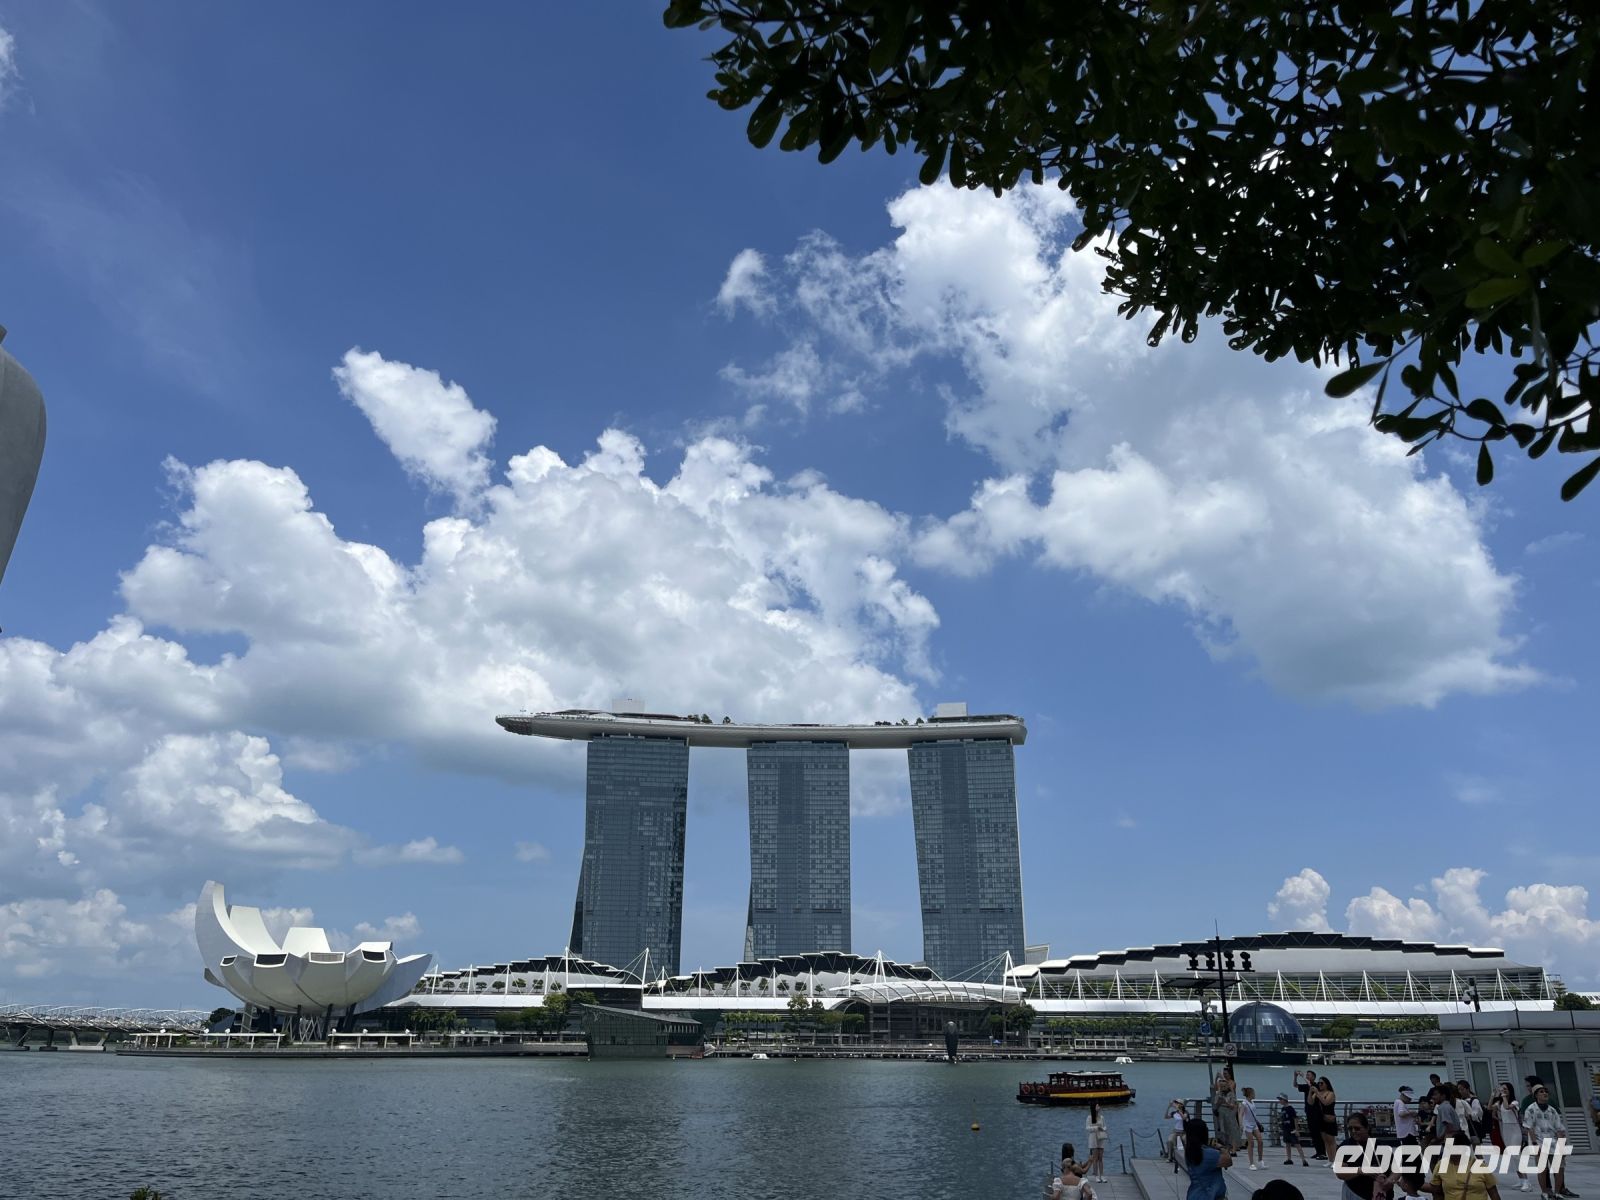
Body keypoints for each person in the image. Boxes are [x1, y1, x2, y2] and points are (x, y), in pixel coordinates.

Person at [1522, 1084, 1578, 1200]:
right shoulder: (1531, 1109)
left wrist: (1562, 1144)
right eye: (1541, 1092)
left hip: (1553, 1142)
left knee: (1559, 1168)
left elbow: (1559, 1128)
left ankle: (1557, 1192)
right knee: (1542, 1169)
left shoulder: (1552, 1110)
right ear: (1536, 1095)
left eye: (1546, 1091)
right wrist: (1534, 1144)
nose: (1544, 1093)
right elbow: (1529, 1127)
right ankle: (1545, 1192)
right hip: (1539, 1141)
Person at [1424, 1127, 1502, 1200]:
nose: (1446, 1149)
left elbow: (1494, 1193)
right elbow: (1435, 1188)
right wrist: (1415, 1183)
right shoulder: (1441, 1165)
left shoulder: (1480, 1166)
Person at [1492, 1082, 1534, 1193]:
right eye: (1502, 1089)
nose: (1503, 1091)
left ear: (1510, 1090)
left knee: (1516, 1156)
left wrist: (1504, 1097)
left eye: (1505, 1089)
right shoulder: (1499, 1103)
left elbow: (1507, 1107)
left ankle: (1526, 1182)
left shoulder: (1514, 1102)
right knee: (1511, 1156)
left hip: (1515, 1130)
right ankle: (1520, 1180)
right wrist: (1493, 1095)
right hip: (1505, 1130)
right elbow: (1490, 1109)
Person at [1335, 1111, 1386, 1200]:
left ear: (1367, 1128)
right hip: (1355, 1192)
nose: (1353, 1131)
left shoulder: (1378, 1145)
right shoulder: (1345, 1146)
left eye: (1357, 1128)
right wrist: (1361, 1170)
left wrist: (1390, 1180)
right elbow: (1339, 1173)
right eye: (1350, 1129)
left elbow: (1395, 1169)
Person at [1185, 1116, 1232, 1200]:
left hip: (1194, 1194)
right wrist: (1221, 1148)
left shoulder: (1189, 1152)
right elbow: (1228, 1161)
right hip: (1210, 1195)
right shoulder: (1209, 1154)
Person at [1296, 1070, 1327, 1160]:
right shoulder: (1306, 1086)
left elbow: (1311, 1086)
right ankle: (1318, 1152)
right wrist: (1295, 1077)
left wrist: (1302, 1076)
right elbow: (1295, 1085)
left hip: (1317, 1113)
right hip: (1309, 1112)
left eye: (1309, 1075)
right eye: (1307, 1075)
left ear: (1314, 1077)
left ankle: (1322, 1152)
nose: (1307, 1076)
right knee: (1313, 1133)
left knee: (1318, 1133)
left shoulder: (1317, 1086)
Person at [1215, 1071, 1243, 1153]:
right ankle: (1227, 1148)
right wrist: (1219, 1103)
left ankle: (1234, 1149)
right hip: (1221, 1113)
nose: (1223, 1087)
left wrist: (1225, 1102)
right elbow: (1216, 1103)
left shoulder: (1231, 1094)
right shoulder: (1219, 1093)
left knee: (1232, 1132)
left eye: (1224, 1086)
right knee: (1224, 1132)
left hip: (1229, 1113)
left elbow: (1233, 1106)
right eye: (1222, 1086)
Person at [1279, 1094, 1310, 1166]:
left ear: (1285, 1100)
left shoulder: (1290, 1109)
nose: (1280, 1101)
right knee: (1287, 1144)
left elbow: (1295, 1119)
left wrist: (1297, 1129)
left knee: (1297, 1144)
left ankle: (1303, 1159)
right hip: (1285, 1128)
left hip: (1291, 1129)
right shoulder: (1283, 1109)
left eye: (1281, 1099)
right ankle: (1289, 1158)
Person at [1240, 1087, 1265, 1171]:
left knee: (1260, 1141)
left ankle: (1260, 1161)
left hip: (1254, 1124)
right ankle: (1251, 1163)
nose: (1254, 1094)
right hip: (1247, 1125)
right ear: (1250, 1094)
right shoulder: (1244, 1103)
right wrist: (1241, 1124)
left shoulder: (1252, 1102)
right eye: (1253, 1093)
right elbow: (1240, 1114)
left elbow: (1253, 1114)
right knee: (1251, 1143)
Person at [1318, 1075, 1341, 1163]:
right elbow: (1311, 1102)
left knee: (1331, 1140)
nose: (1320, 1085)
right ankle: (1330, 1160)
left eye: (1321, 1083)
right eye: (1319, 1083)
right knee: (1325, 1140)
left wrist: (1317, 1093)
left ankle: (1335, 1160)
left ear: (1326, 1084)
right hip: (1321, 1118)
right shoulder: (1319, 1093)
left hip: (1330, 1117)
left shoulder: (1331, 1093)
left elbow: (1326, 1103)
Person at [1456, 1081, 1486, 1146]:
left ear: (1467, 1089)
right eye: (1459, 1090)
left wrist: (1468, 1115)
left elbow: (1478, 1115)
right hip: (1465, 1128)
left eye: (1462, 1089)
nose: (1460, 1092)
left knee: (1476, 1149)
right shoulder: (1460, 1101)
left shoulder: (1474, 1100)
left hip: (1473, 1128)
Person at [1086, 1102, 1109, 1182]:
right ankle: (1096, 1175)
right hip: (1093, 1138)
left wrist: (1103, 1129)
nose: (1099, 1107)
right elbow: (1087, 1128)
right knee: (1095, 1158)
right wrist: (1096, 1128)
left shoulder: (1101, 1117)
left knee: (1101, 1158)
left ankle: (1102, 1175)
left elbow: (1105, 1126)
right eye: (1097, 1106)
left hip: (1101, 1137)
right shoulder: (1089, 1117)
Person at [1170, 1100, 1191, 1164]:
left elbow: (1184, 1118)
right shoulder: (1175, 1113)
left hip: (1184, 1132)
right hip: (1176, 1131)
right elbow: (1166, 1117)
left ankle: (1187, 1157)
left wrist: (1179, 1111)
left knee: (1185, 1142)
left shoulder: (1186, 1112)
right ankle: (1170, 1157)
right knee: (1170, 1141)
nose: (1176, 1105)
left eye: (1178, 1103)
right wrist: (1169, 1107)